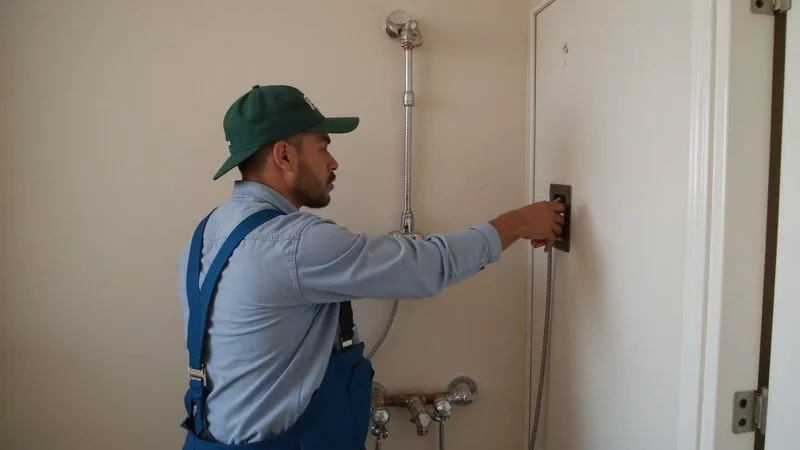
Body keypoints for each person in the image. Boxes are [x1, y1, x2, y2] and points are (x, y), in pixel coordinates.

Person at [177, 84, 565, 450]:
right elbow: (429, 267)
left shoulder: (207, 233)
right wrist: (518, 222)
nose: (333, 162)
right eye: (322, 147)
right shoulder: (293, 244)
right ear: (284, 155)